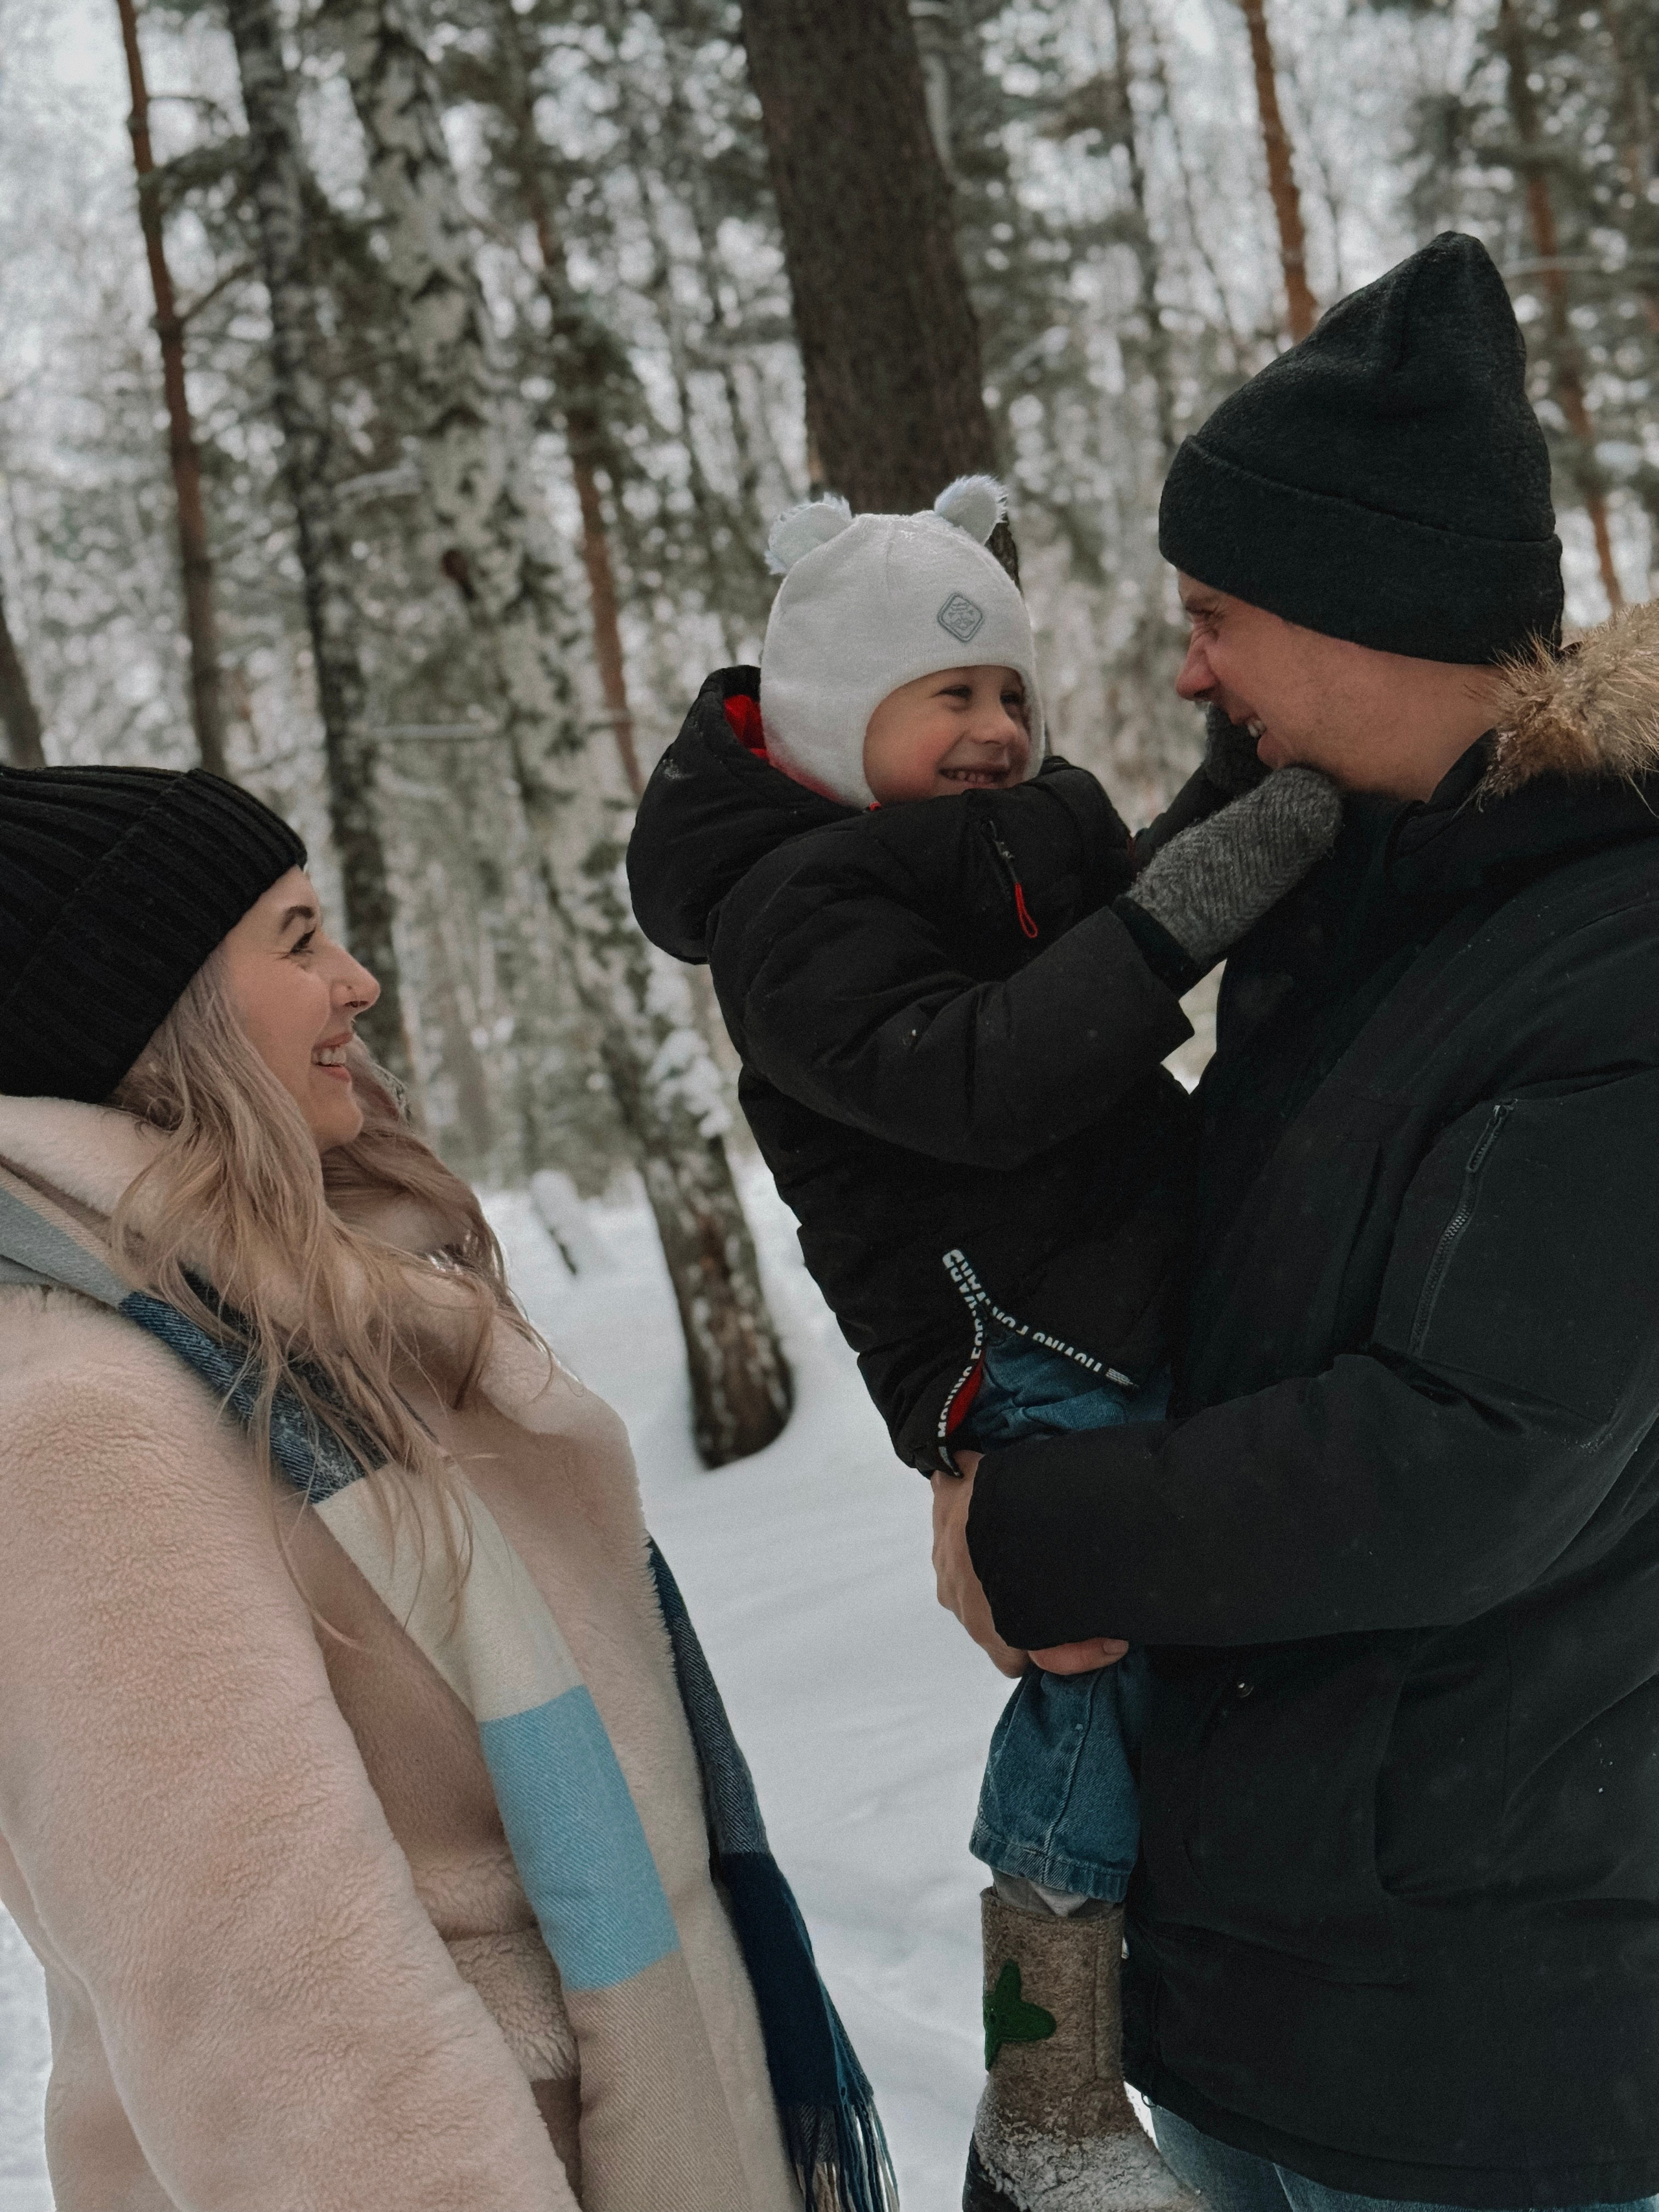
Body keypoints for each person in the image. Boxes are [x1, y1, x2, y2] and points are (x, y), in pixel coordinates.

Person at [933, 229, 1659, 2212]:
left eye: (1216, 612)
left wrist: (1039, 1528)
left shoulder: (1608, 948)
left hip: (1474, 2044)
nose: (1188, 667)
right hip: (1256, 1987)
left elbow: (1465, 1455)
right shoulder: (1342, 909)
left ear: (1372, 606)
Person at [0, 763, 892, 2212]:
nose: (351, 982)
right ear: (158, 1019)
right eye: (295, 941)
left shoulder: (306, 1315)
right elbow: (269, 2013)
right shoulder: (83, 1419)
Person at [627, 478, 1340, 2211]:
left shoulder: (1031, 822)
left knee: (1206, 1668)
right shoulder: (787, 911)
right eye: (949, 694)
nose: (997, 727)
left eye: (1012, 692)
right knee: (1086, 1686)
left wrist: (1255, 775)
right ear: (827, 713)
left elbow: (1148, 884)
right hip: (1012, 1344)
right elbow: (984, 1077)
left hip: (1135, 1298)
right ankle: (1046, 2088)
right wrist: (1198, 900)